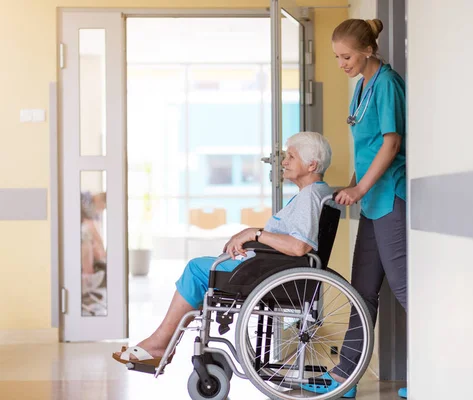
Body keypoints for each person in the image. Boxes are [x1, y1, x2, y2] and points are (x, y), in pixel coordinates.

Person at [112, 131, 333, 367]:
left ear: (311, 165)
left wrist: (254, 233)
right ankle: (162, 343)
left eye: (291, 156)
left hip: (271, 274)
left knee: (196, 269)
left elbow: (299, 246)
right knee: (204, 268)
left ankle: (159, 344)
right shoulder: (315, 193)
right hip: (270, 268)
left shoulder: (309, 197)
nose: (284, 161)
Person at [300, 19, 408, 399]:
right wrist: (351, 185)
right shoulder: (361, 86)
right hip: (371, 199)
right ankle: (346, 374)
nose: (342, 63)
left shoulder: (388, 84)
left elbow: (391, 144)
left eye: (346, 56)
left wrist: (361, 188)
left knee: (403, 286)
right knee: (362, 290)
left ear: (367, 51)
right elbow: (366, 147)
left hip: (389, 196)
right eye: (337, 57)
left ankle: (436, 366)